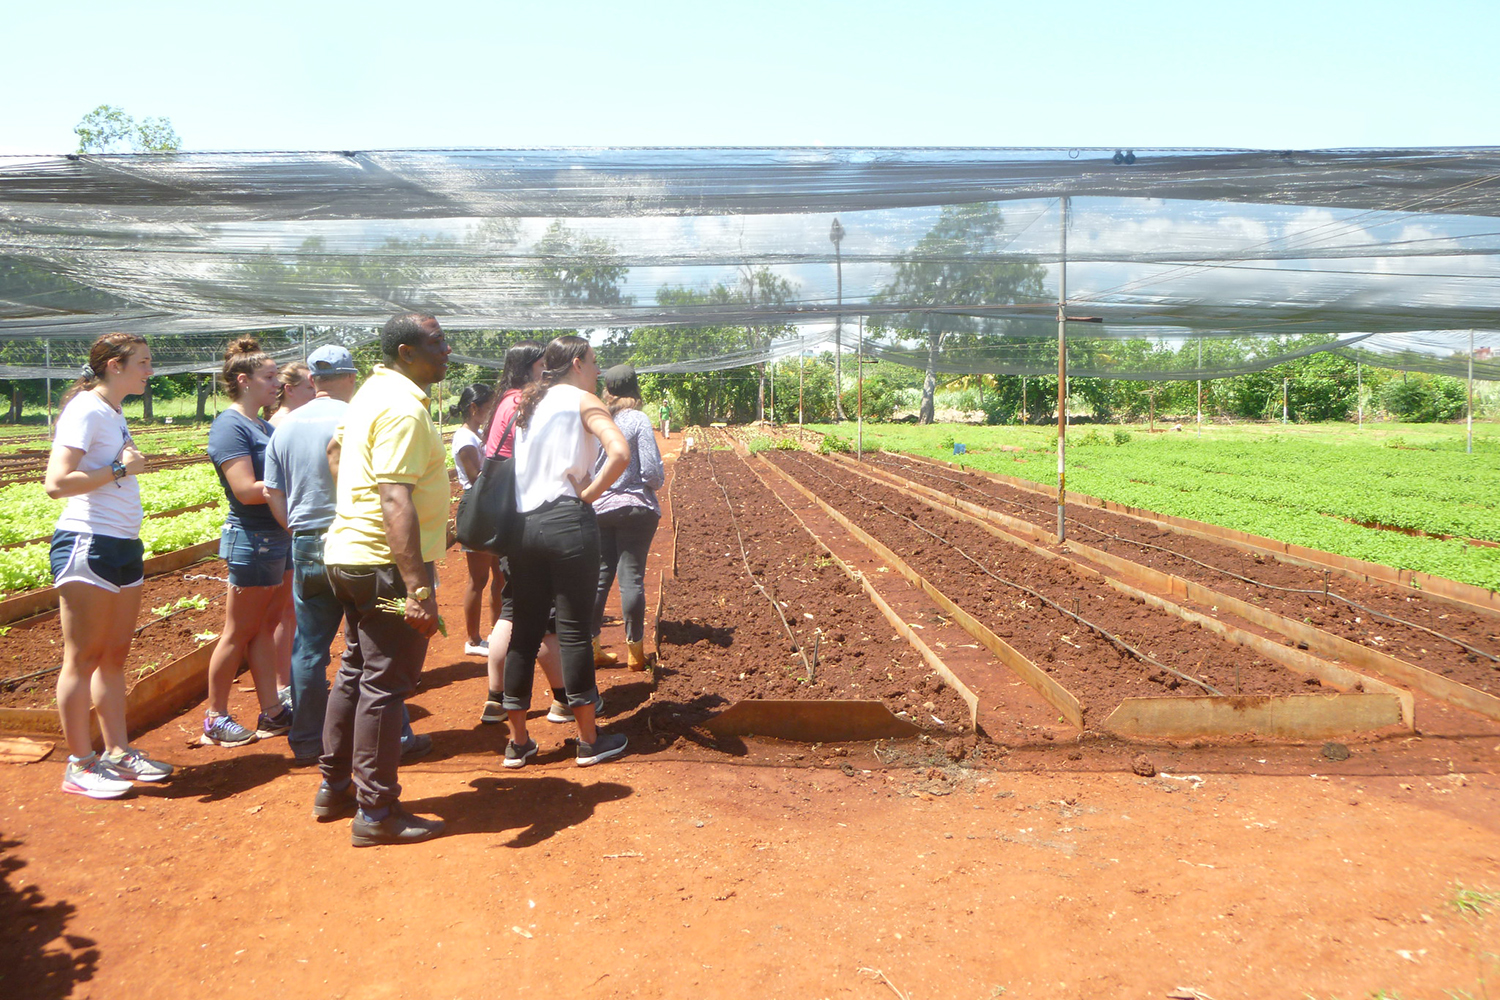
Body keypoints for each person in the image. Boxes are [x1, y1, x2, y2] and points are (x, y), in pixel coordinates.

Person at [314, 313, 450, 846]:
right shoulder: (402, 409)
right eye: (436, 343)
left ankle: (334, 785)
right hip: (385, 572)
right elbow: (395, 497)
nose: (447, 351)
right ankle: (376, 812)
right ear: (406, 351)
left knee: (355, 668)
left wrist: (352, 508)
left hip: (350, 559)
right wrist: (417, 589)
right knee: (386, 683)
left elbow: (335, 453)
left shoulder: (370, 394)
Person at [263, 345, 431, 766]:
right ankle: (398, 738)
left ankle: (305, 740)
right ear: (351, 377)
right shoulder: (359, 415)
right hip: (359, 540)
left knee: (311, 646)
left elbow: (272, 491)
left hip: (306, 542)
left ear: (313, 380)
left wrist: (295, 529)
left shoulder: (281, 427)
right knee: (373, 647)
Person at [44, 333, 172, 798]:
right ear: (114, 366)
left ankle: (118, 752)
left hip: (121, 543)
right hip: (87, 540)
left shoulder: (114, 412)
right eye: (143, 362)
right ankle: (79, 764)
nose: (149, 370)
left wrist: (122, 467)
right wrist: (121, 471)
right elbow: (56, 483)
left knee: (114, 657)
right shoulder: (86, 409)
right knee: (82, 659)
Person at [500, 335, 631, 769]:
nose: (597, 370)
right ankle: (589, 740)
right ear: (577, 363)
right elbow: (620, 451)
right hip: (566, 521)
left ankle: (518, 743)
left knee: (524, 630)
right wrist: (589, 495)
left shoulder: (528, 406)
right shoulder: (582, 399)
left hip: (522, 527)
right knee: (573, 630)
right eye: (594, 362)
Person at [201, 338, 295, 747]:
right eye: (269, 377)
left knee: (266, 628)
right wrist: (299, 489)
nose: (277, 384)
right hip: (252, 538)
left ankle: (272, 711)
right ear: (244, 380)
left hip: (277, 535)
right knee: (237, 632)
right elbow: (244, 489)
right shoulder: (230, 425)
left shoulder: (263, 425)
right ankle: (215, 717)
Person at [476, 341, 569, 730]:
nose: (545, 370)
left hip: (503, 520)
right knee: (543, 615)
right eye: (543, 364)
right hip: (529, 516)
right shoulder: (526, 403)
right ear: (532, 366)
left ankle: (495, 700)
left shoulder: (503, 402)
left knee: (512, 609)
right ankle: (565, 700)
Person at [590, 365, 664, 672]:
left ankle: (592, 646)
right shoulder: (638, 420)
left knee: (600, 576)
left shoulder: (596, 420)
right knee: (631, 579)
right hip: (635, 507)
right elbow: (651, 471)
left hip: (600, 507)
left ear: (607, 390)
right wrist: (651, 482)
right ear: (635, 390)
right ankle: (635, 652)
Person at [450, 382, 500, 657]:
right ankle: (473, 639)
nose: (491, 410)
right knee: (478, 578)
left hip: (491, 507)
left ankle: (498, 632)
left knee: (500, 576)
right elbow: (475, 478)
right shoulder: (464, 439)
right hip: (478, 508)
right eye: (488, 405)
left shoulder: (476, 434)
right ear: (474, 407)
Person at [268, 361, 314, 428]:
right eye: (310, 388)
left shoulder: (299, 419)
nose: (316, 392)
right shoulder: (282, 422)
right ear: (289, 389)